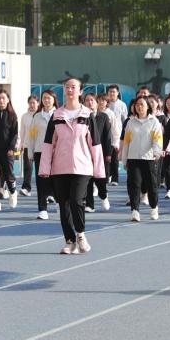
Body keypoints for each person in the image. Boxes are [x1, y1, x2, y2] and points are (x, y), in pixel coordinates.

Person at [38, 78, 104, 254]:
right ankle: (69, 241)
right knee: (64, 205)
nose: (69, 90)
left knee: (76, 200)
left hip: (82, 167)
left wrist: (99, 170)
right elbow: (48, 144)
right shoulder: (56, 115)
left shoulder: (87, 115)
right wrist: (44, 168)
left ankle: (80, 234)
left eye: (73, 87)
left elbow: (95, 144)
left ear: (80, 91)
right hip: (60, 167)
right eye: (67, 87)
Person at [121, 96, 163, 222]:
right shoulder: (130, 123)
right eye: (137, 104)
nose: (139, 107)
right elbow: (126, 142)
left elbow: (157, 139)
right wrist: (124, 159)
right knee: (134, 185)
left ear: (148, 107)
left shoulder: (154, 122)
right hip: (133, 158)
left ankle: (153, 208)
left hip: (149, 158)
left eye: (142, 104)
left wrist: (156, 152)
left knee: (151, 185)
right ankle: (135, 210)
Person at [83, 93, 113, 212]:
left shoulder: (103, 117)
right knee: (88, 179)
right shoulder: (82, 117)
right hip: (85, 153)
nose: (90, 103)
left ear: (97, 103)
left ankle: (103, 195)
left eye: (92, 100)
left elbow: (107, 136)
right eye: (87, 100)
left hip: (100, 152)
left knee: (100, 179)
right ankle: (90, 205)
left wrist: (108, 153)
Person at [32, 90, 57, 219]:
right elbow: (32, 135)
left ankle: (57, 199)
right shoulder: (37, 117)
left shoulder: (60, 114)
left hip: (56, 152)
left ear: (54, 99)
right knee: (41, 181)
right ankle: (42, 209)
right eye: (44, 98)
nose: (46, 100)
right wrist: (30, 151)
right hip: (40, 152)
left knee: (56, 179)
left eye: (49, 98)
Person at [19, 95, 39, 197]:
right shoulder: (24, 116)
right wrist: (21, 143)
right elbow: (22, 131)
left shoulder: (41, 115)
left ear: (38, 103)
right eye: (30, 103)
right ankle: (26, 188)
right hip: (28, 146)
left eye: (33, 103)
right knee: (27, 168)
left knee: (41, 170)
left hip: (39, 146)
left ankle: (45, 191)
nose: (32, 105)